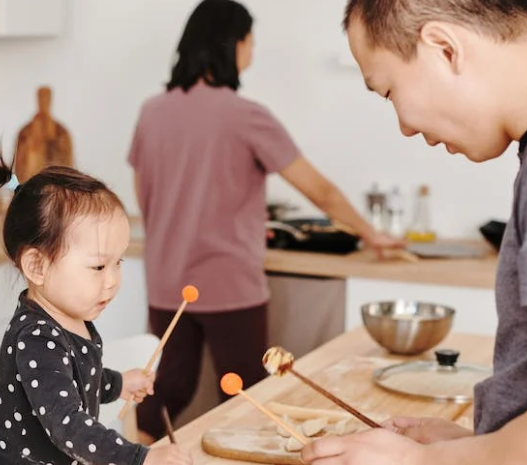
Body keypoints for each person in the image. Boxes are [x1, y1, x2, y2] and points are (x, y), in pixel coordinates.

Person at [301, 0, 527, 464]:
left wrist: (414, 462)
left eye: (389, 91)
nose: (405, 127)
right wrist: (478, 446)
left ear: (444, 48)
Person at [127, 0, 401, 443]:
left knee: (161, 396)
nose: (252, 51)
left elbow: (145, 193)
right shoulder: (245, 115)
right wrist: (370, 234)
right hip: (229, 284)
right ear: (233, 44)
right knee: (246, 402)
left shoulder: (152, 111)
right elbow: (320, 191)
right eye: (250, 41)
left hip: (167, 281)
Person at [0, 151, 192, 465]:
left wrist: (117, 384)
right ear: (37, 266)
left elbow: (72, 378)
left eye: (117, 263)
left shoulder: (68, 318)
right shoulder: (37, 337)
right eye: (98, 267)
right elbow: (68, 425)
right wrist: (139, 457)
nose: (113, 280)